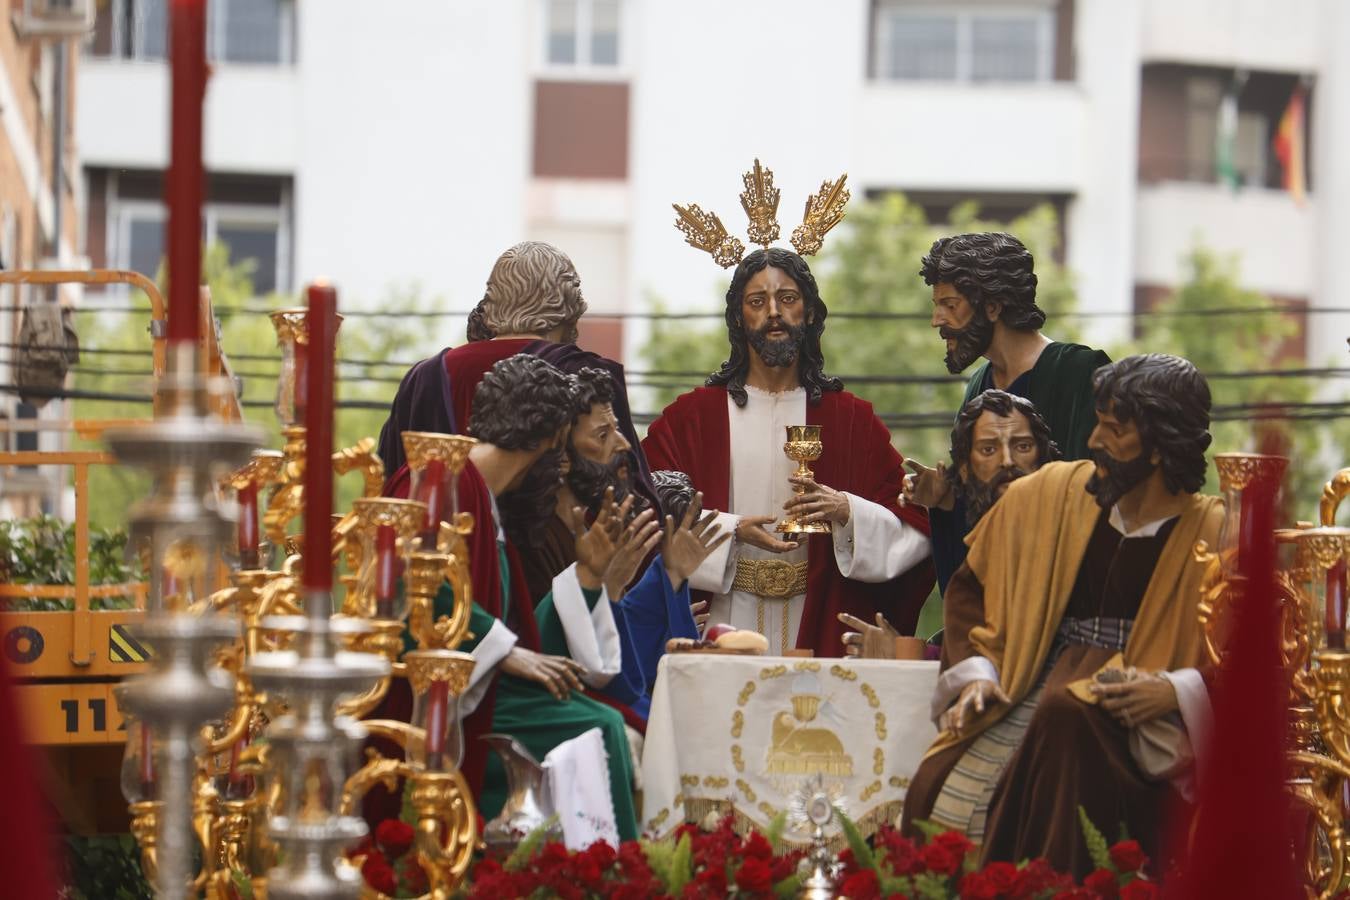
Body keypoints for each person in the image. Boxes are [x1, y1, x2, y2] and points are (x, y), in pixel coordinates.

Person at [903, 354, 1223, 877]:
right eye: (1098, 422)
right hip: (1027, 676)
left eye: (1114, 430)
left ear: (1160, 445)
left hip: (1138, 724)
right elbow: (972, 587)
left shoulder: (1215, 534)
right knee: (936, 788)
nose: (1094, 440)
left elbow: (1255, 664)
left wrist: (1177, 691)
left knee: (1070, 719)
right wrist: (977, 672)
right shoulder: (1052, 492)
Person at [385, 353, 642, 840]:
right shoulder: (442, 480)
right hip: (437, 698)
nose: (562, 465)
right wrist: (505, 650)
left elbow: (520, 629)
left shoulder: (484, 497)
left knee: (610, 721)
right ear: (545, 440)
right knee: (600, 728)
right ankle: (609, 873)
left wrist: (588, 576)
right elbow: (411, 585)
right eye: (561, 449)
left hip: (477, 683)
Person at [643, 247, 935, 655]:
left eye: (788, 298)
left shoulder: (851, 420)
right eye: (757, 301)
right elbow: (644, 509)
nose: (773, 312)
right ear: (738, 318)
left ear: (809, 312)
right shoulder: (691, 418)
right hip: (720, 616)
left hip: (817, 621)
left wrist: (847, 511)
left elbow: (914, 529)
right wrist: (729, 530)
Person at [377, 241, 659, 513]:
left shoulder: (424, 378)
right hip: (560, 545)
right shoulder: (584, 373)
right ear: (568, 302)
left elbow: (389, 489)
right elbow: (629, 496)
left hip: (433, 537)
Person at [521, 368, 728, 720]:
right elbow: (564, 659)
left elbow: (618, 656)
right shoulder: (532, 538)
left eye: (617, 429)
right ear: (563, 456)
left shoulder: (590, 531)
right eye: (604, 434)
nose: (624, 444)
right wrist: (599, 584)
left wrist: (669, 577)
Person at [910, 232, 1110, 593]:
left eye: (950, 305)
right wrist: (946, 498)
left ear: (992, 306)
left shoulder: (1078, 372)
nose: (937, 320)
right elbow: (980, 522)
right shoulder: (978, 386)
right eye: (937, 305)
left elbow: (1097, 499)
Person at [843, 389, 1059, 657]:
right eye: (988, 449)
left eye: (1023, 446)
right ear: (966, 468)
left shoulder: (1068, 526)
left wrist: (911, 654)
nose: (1007, 461)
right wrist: (946, 504)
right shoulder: (981, 529)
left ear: (1043, 455)